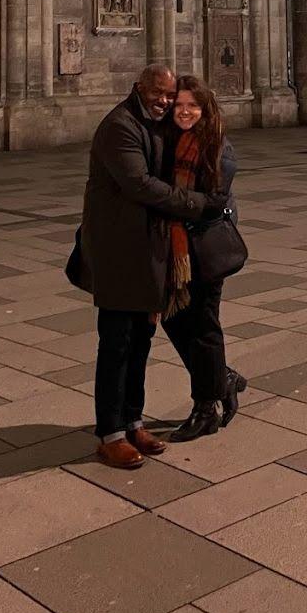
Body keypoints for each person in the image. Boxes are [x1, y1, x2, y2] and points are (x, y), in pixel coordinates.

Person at [77, 64, 217, 470]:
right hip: (119, 250)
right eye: (158, 93)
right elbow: (138, 183)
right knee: (117, 342)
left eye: (169, 95)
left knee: (140, 340)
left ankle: (133, 422)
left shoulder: (151, 123)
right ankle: (110, 435)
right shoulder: (120, 126)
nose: (164, 101)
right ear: (139, 88)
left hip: (144, 249)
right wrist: (194, 203)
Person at [161, 76, 247, 442]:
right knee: (173, 318)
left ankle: (205, 409)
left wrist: (166, 200)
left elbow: (214, 201)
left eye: (192, 106)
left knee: (203, 324)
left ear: (205, 109)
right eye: (179, 105)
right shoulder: (171, 141)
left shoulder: (218, 148)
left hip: (205, 246)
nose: (184, 112)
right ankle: (220, 377)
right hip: (177, 246)